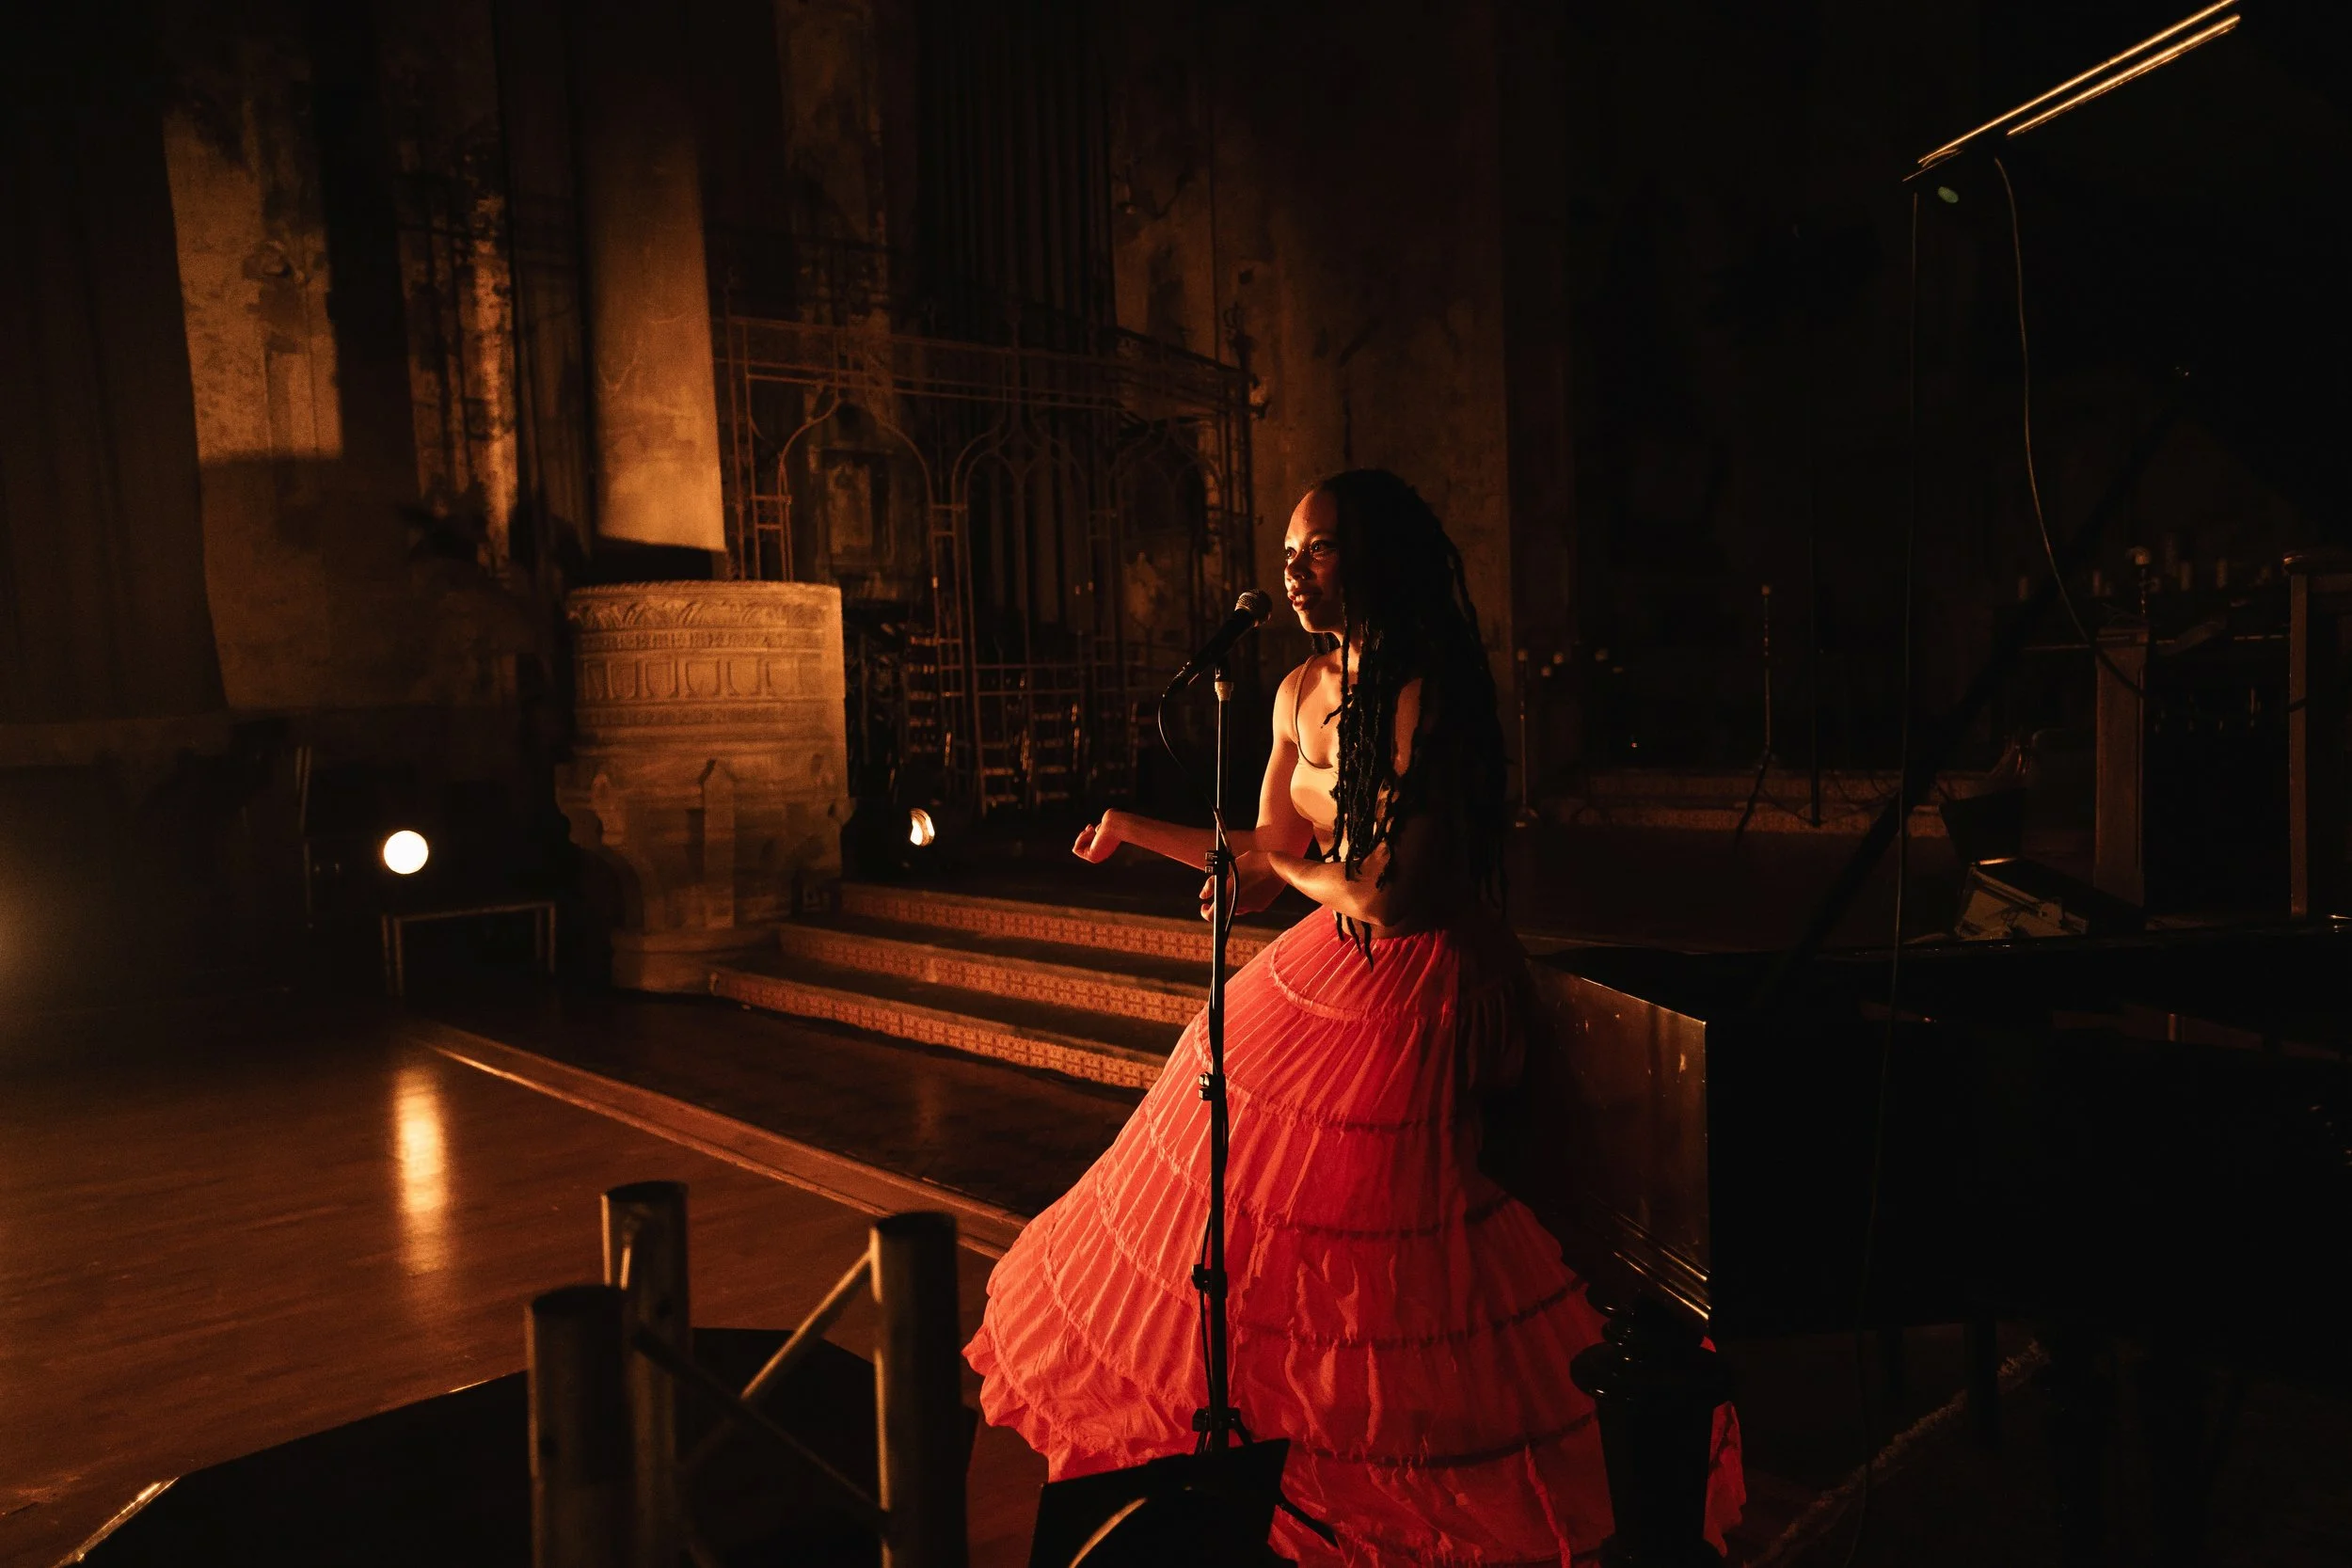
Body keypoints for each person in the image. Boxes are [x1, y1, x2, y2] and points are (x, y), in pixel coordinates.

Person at [963, 469, 1744, 1564]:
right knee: (1264, 1218)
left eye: (1318, 548)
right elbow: (1273, 860)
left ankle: (1452, 1471)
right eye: (1286, 550)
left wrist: (1296, 864)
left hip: (1429, 979)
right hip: (1329, 964)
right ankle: (1293, 1465)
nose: (1291, 568)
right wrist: (1138, 827)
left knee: (1407, 1253)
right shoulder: (1293, 690)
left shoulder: (1431, 690)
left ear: (1375, 558)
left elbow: (1396, 892)